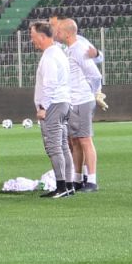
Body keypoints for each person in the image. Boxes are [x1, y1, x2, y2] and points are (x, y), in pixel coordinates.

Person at [52, 16, 102, 192]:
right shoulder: (70, 49)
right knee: (75, 140)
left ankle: (92, 180)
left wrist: (94, 93)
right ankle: (78, 178)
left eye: (58, 31)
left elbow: (95, 75)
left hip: (82, 100)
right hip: (74, 101)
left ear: (66, 33)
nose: (56, 33)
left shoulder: (79, 48)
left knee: (85, 140)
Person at [30, 21, 74, 198]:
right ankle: (69, 185)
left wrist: (43, 107)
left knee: (54, 147)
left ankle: (61, 186)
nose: (32, 41)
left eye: (33, 37)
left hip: (54, 105)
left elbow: (49, 84)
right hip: (64, 102)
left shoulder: (49, 57)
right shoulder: (59, 53)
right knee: (63, 146)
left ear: (42, 37)